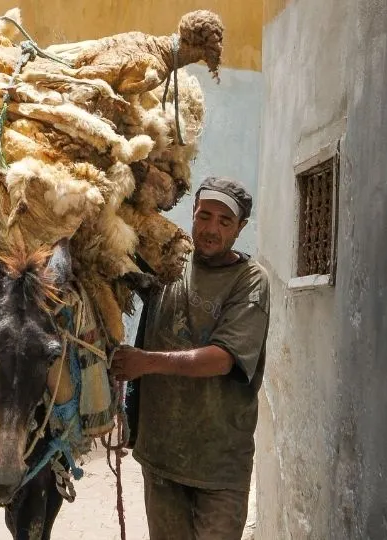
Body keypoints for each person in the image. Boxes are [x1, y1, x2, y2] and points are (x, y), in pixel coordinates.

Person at [111, 176, 270, 539]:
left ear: (240, 227)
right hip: (162, 457)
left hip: (218, 468)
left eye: (224, 221)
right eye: (204, 216)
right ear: (193, 213)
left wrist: (145, 361)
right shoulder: (169, 261)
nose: (211, 229)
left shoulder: (250, 281)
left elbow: (222, 359)